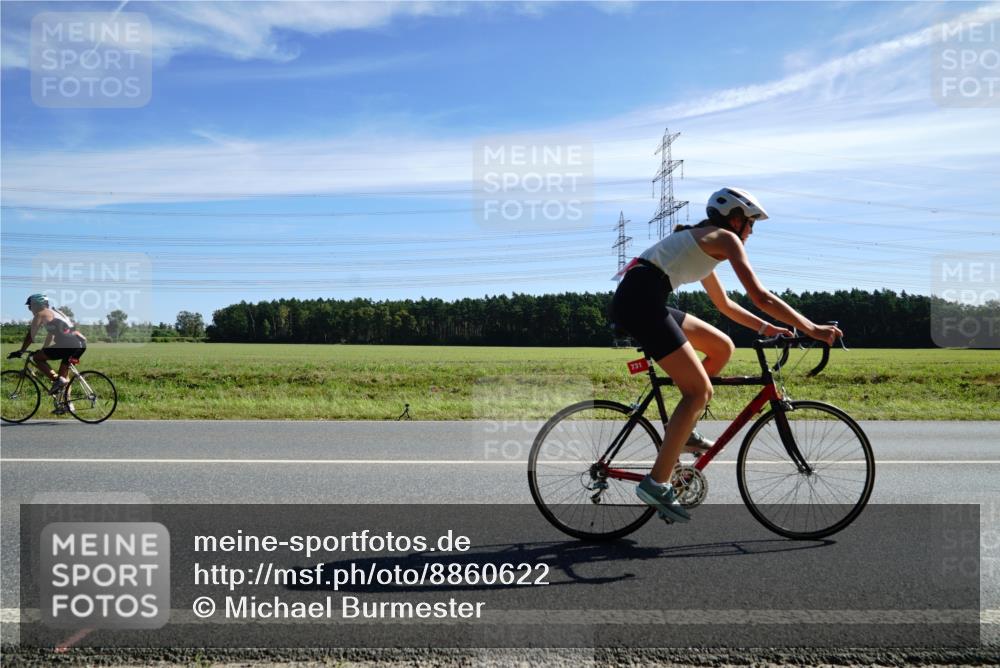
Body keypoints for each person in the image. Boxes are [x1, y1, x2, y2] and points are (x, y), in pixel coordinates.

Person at [611, 187, 843, 523]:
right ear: (735, 219)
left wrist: (766, 329)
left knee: (722, 348)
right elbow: (761, 296)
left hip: (644, 300)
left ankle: (683, 430)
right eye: (750, 224)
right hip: (640, 304)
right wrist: (811, 329)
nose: (751, 232)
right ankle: (656, 483)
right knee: (699, 391)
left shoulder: (706, 241)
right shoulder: (725, 239)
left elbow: (726, 305)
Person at [8, 294, 87, 411]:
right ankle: (68, 405)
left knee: (37, 358)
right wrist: (43, 349)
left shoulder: (41, 314)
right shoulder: (55, 312)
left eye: (30, 307)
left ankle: (57, 380)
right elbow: (51, 334)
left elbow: (30, 336)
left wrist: (21, 351)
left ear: (36, 305)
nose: (30, 310)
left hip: (67, 345)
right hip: (79, 344)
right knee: (64, 376)